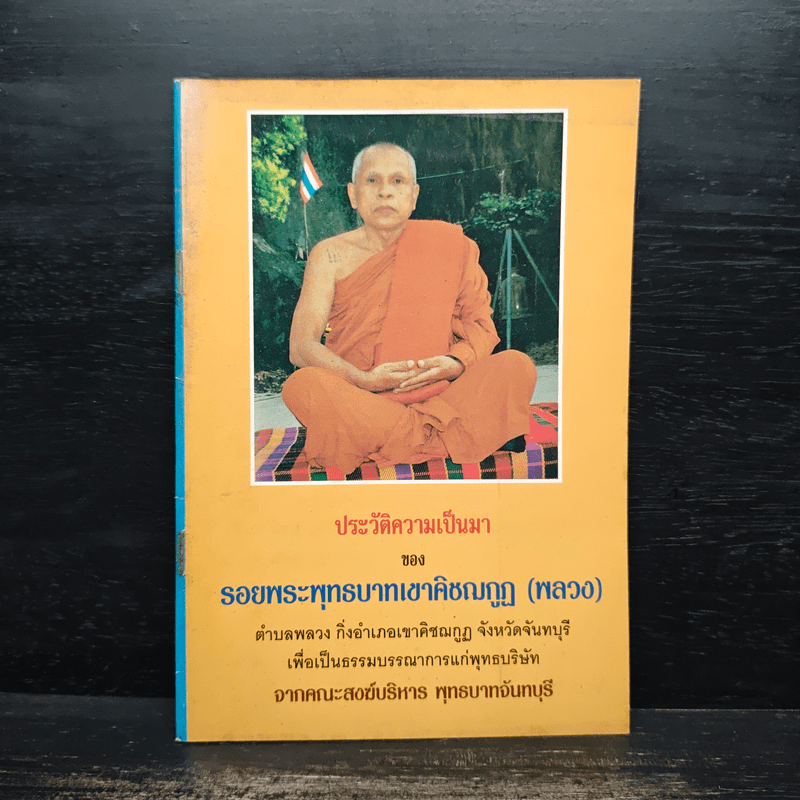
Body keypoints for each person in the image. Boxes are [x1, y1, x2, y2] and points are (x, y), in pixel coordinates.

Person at [282, 142, 536, 475]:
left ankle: (384, 440)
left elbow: (480, 326)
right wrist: (365, 380)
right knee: (302, 386)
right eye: (372, 181)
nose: (385, 191)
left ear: (414, 195)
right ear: (353, 194)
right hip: (362, 396)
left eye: (398, 181)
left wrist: (454, 364)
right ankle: (449, 437)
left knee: (517, 366)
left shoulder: (452, 245)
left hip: (442, 394)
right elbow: (301, 346)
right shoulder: (328, 255)